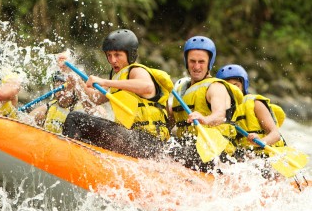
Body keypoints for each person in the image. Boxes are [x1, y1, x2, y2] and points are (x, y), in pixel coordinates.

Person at [62, 29, 173, 159]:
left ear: (130, 54)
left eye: (117, 55)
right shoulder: (118, 78)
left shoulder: (136, 70)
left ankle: (66, 159)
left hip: (148, 142)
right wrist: (73, 75)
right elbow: (93, 99)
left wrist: (105, 82)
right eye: (109, 55)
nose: (112, 60)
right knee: (84, 126)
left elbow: (147, 87)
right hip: (134, 139)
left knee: (75, 119)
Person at [169, 36, 244, 171]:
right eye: (192, 61)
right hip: (187, 146)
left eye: (201, 62)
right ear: (186, 61)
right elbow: (170, 121)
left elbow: (220, 114)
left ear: (209, 63)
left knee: (172, 152)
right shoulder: (181, 91)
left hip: (214, 153)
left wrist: (205, 119)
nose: (196, 67)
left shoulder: (215, 87)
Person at [216, 64, 286, 156]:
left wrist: (261, 142)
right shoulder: (221, 111)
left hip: (268, 156)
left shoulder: (256, 104)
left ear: (243, 86)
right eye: (228, 87)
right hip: (245, 158)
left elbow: (275, 134)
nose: (232, 90)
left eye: (236, 85)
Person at [30, 51, 98, 134]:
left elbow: (100, 115)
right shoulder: (46, 109)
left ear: (73, 88)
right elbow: (25, 121)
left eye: (64, 89)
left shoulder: (85, 106)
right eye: (57, 89)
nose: (61, 93)